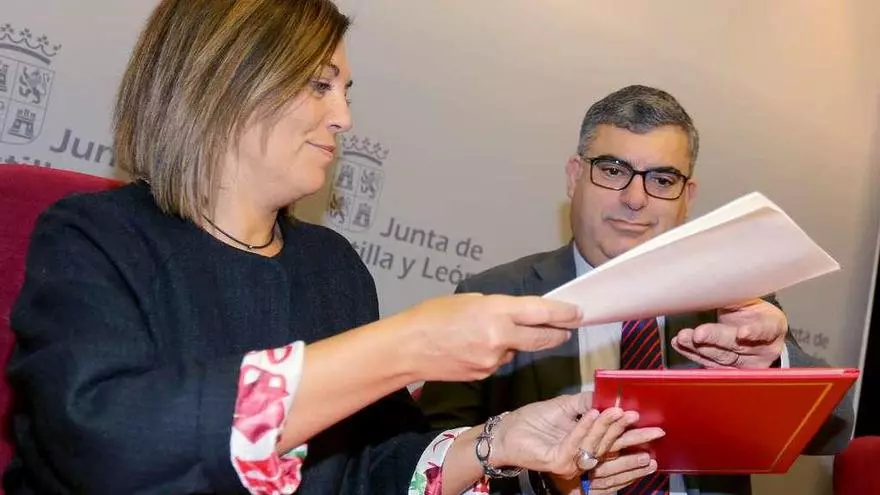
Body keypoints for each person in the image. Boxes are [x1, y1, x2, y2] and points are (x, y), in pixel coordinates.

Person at [2, 3, 665, 494]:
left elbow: (375, 469)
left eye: (344, 92)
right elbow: (112, 445)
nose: (344, 117)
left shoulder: (331, 266)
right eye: (319, 85)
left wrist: (499, 440)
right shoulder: (92, 236)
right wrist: (404, 344)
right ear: (225, 80)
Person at [418, 85, 855, 495]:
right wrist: (546, 480)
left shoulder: (731, 301)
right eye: (613, 171)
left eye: (662, 180)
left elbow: (834, 429)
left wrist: (770, 365)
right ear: (574, 177)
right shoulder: (494, 297)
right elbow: (428, 465)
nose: (635, 198)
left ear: (687, 197)